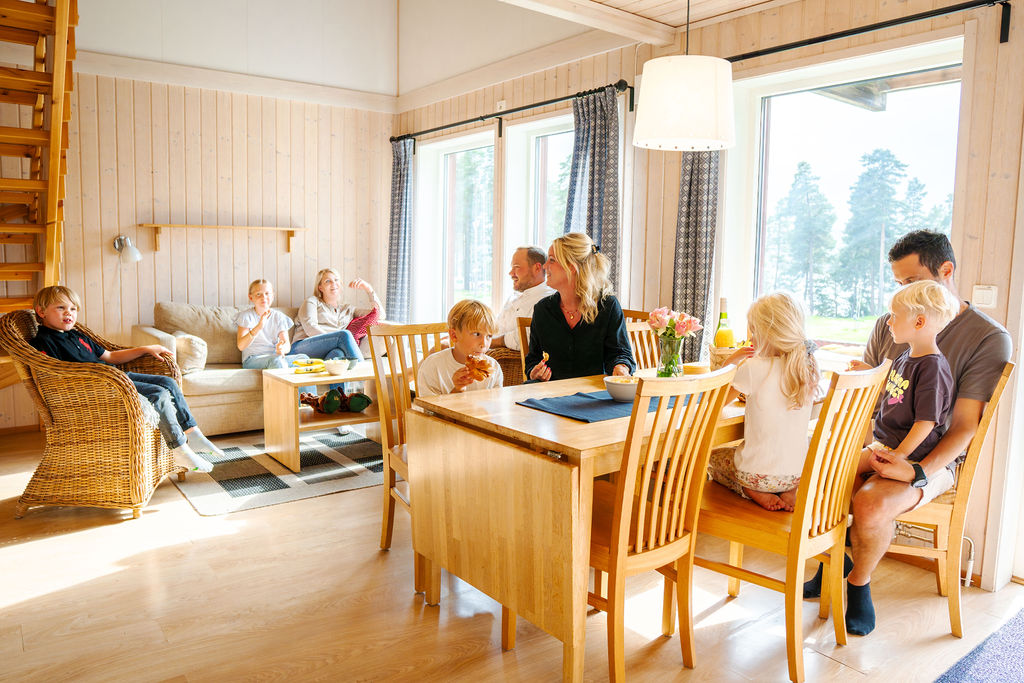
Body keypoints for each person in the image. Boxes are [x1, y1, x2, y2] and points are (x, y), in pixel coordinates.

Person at [803, 230, 1012, 637]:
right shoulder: (891, 323)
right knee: (823, 479)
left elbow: (963, 427)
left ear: (945, 270)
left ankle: (858, 584)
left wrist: (916, 471)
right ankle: (835, 561)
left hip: (932, 457)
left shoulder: (986, 338)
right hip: (883, 441)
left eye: (912, 281)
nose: (903, 292)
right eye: (899, 283)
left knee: (869, 504)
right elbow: (870, 396)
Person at [29, 286, 221, 473]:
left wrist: (146, 349)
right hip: (100, 386)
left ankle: (193, 433)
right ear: (41, 311)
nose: (68, 313)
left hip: (116, 376)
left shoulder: (77, 335)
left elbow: (110, 356)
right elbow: (55, 372)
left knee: (168, 382)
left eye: (73, 309)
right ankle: (179, 448)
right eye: (61, 307)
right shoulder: (43, 341)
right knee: (158, 393)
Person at [707, 293, 822, 512]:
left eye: (753, 331)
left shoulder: (754, 367)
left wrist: (730, 362)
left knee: (714, 459)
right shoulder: (808, 367)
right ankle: (789, 491)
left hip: (756, 477)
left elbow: (716, 402)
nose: (751, 338)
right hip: (797, 475)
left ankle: (751, 489)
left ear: (768, 333)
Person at [858, 281, 958, 476]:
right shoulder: (907, 356)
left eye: (894, 316)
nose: (888, 322)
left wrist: (900, 454)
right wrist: (870, 372)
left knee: (840, 469)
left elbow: (926, 422)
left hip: (904, 448)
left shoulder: (932, 368)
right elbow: (896, 393)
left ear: (919, 322)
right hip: (886, 439)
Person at [523, 232, 635, 381]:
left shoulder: (607, 306)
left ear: (571, 267)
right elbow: (533, 359)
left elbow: (620, 354)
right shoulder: (542, 310)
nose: (544, 266)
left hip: (595, 392)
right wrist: (534, 372)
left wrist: (620, 367)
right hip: (551, 392)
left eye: (552, 260)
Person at [291, 268, 382, 363]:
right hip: (302, 346)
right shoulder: (312, 302)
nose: (333, 283)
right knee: (344, 335)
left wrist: (369, 289)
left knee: (338, 354)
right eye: (328, 281)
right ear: (320, 287)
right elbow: (310, 328)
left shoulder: (348, 309)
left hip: (329, 349)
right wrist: (335, 339)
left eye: (336, 280)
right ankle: (362, 371)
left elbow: (378, 315)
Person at [417, 299, 504, 397]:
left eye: (489, 336)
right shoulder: (432, 366)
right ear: (454, 335)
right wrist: (457, 390)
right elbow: (429, 406)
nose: (484, 344)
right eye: (477, 334)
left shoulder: (493, 367)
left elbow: (496, 402)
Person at [235, 279, 310, 370]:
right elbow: (241, 346)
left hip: (275, 357)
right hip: (253, 359)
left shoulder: (279, 317)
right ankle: (283, 374)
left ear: (273, 296)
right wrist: (259, 327)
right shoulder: (245, 316)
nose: (263, 297)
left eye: (267, 293)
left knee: (304, 359)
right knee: (276, 361)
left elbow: (286, 344)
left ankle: (282, 371)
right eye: (258, 294)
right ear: (251, 297)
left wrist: (282, 348)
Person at [490, 246, 553, 350]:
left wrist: (493, 342)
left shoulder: (548, 299)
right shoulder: (514, 297)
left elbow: (529, 336)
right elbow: (496, 327)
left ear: (537, 268)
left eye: (517, 267)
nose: (511, 273)